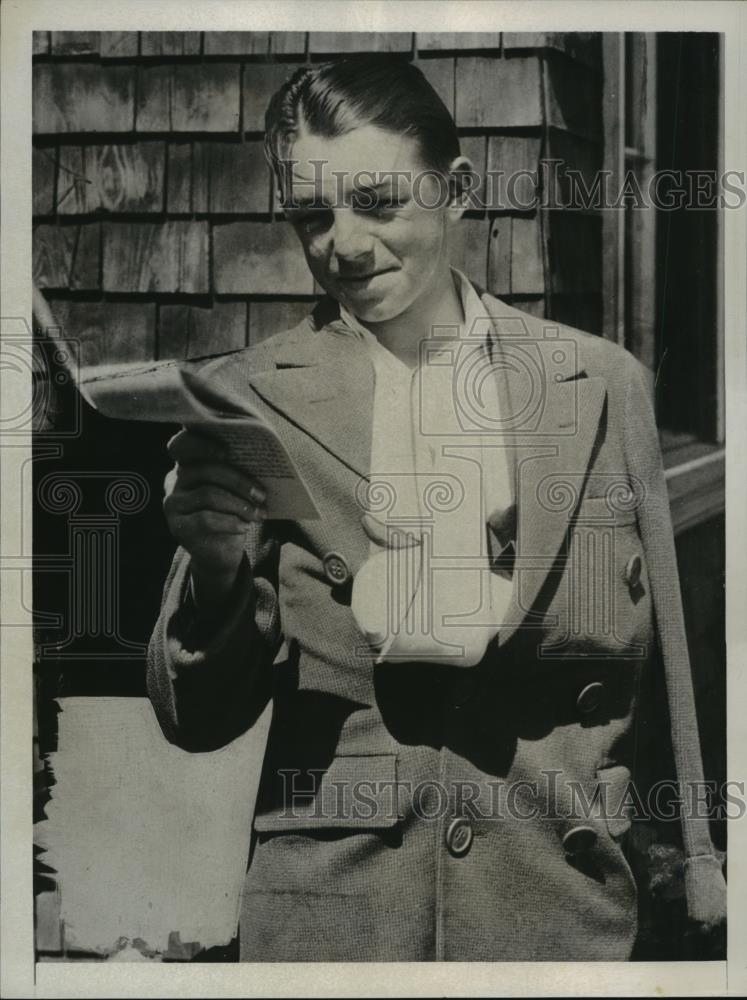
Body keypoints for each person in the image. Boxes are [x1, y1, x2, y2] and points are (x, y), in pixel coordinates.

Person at [147, 55, 725, 961]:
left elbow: (672, 672)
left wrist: (693, 856)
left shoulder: (598, 384)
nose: (342, 243)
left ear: (455, 189)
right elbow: (198, 721)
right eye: (311, 214)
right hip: (334, 920)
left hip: (555, 909)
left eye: (377, 201)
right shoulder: (249, 399)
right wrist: (216, 571)